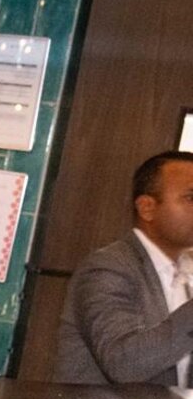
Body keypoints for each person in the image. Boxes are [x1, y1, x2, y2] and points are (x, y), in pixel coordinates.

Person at [55, 150, 193, 384]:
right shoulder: (107, 268)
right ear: (147, 207)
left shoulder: (185, 272)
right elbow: (123, 364)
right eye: (191, 198)